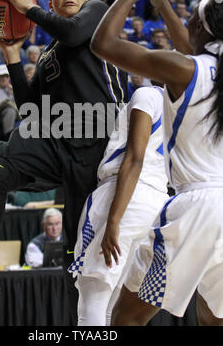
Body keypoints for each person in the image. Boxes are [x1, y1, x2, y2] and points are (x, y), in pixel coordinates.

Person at [0, 0, 127, 321]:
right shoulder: (50, 52)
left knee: (78, 264)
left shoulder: (98, 14)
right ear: (50, 2)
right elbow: (30, 109)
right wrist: (11, 54)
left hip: (100, 144)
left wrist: (30, 7)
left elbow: (71, 31)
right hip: (58, 140)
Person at [90, 0, 223, 326]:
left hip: (197, 207)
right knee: (213, 318)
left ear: (200, 29)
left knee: (125, 320)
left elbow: (104, 42)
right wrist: (163, 1)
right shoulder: (205, 69)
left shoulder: (186, 70)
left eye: (191, 20)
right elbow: (193, 49)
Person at [69, 83, 168, 325]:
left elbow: (134, 158)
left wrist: (114, 219)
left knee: (93, 297)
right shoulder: (185, 110)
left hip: (124, 193)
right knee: (114, 307)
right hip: (158, 202)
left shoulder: (148, 95)